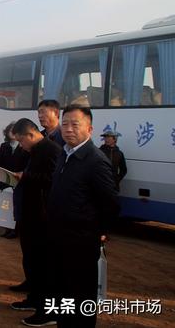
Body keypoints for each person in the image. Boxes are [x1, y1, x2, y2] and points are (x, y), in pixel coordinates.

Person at [44, 105, 119, 328]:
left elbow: (111, 203)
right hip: (58, 239)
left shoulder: (95, 161)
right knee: (63, 294)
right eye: (65, 124)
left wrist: (99, 232)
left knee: (80, 299)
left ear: (90, 128)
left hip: (81, 242)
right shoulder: (64, 154)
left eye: (75, 125)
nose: (68, 129)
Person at [9, 118, 61, 324]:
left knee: (44, 265)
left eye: (22, 141)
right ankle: (34, 299)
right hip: (30, 215)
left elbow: (52, 181)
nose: (21, 145)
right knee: (31, 261)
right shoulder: (35, 150)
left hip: (43, 217)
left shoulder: (51, 150)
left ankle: (48, 310)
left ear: (31, 135)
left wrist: (26, 176)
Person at [0, 122, 29, 239]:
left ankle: (15, 230)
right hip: (5, 179)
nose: (12, 133)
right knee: (5, 206)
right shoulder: (4, 146)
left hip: (18, 180)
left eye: (15, 131)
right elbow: (0, 163)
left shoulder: (24, 147)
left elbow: (25, 164)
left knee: (16, 206)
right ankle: (7, 228)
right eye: (10, 130)